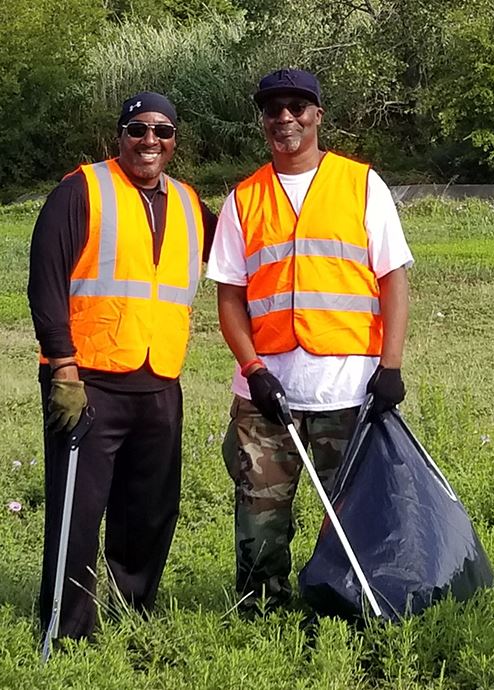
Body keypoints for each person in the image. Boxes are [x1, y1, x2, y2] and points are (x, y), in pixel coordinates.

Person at [207, 68, 413, 612]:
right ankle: (259, 610)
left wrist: (390, 368)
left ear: (318, 114)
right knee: (259, 515)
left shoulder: (362, 185)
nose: (285, 118)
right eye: (273, 109)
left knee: (349, 514)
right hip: (265, 396)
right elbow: (229, 298)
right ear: (263, 120)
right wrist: (254, 370)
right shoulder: (243, 199)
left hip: (349, 393)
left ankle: (342, 606)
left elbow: (394, 280)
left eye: (297, 107)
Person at [27, 92, 217, 640]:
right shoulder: (81, 189)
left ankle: (134, 611)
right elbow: (46, 281)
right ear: (121, 135)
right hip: (87, 381)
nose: (150, 141)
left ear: (176, 140)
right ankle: (68, 627)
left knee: (150, 510)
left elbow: (238, 254)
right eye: (138, 129)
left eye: (163, 131)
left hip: (160, 381)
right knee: (78, 513)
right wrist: (62, 366)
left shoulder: (186, 201)